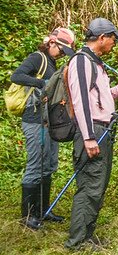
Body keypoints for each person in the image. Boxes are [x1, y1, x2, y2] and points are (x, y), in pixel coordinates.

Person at [64, 18, 118, 251]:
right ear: (102, 38)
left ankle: (87, 236)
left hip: (103, 130)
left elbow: (102, 99)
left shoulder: (95, 64)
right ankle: (77, 241)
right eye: (113, 39)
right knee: (89, 186)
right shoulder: (81, 62)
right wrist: (88, 137)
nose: (114, 44)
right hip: (92, 132)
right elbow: (81, 104)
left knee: (97, 184)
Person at [10, 27, 76, 230]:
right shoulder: (38, 58)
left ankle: (43, 210)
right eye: (62, 49)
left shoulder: (53, 61)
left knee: (48, 165)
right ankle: (28, 216)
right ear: (52, 43)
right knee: (35, 166)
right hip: (34, 121)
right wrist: (41, 83)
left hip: (49, 122)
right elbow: (17, 76)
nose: (63, 54)